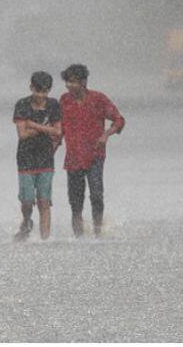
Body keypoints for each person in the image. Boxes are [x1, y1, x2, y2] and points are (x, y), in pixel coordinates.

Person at [59, 64, 125, 238]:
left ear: (83, 82)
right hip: (73, 157)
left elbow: (119, 120)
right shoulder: (64, 100)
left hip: (95, 155)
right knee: (75, 202)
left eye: (72, 82)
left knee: (96, 195)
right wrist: (52, 146)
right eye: (67, 82)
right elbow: (59, 128)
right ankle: (78, 237)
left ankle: (97, 232)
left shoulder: (98, 99)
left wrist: (106, 134)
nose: (69, 86)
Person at [12, 71, 62, 241]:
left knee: (44, 201)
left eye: (45, 92)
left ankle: (44, 240)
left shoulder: (54, 105)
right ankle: (26, 222)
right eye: (38, 91)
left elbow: (58, 131)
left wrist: (33, 125)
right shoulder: (22, 105)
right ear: (31, 87)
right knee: (26, 201)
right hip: (25, 159)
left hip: (46, 158)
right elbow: (22, 134)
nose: (41, 95)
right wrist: (46, 129)